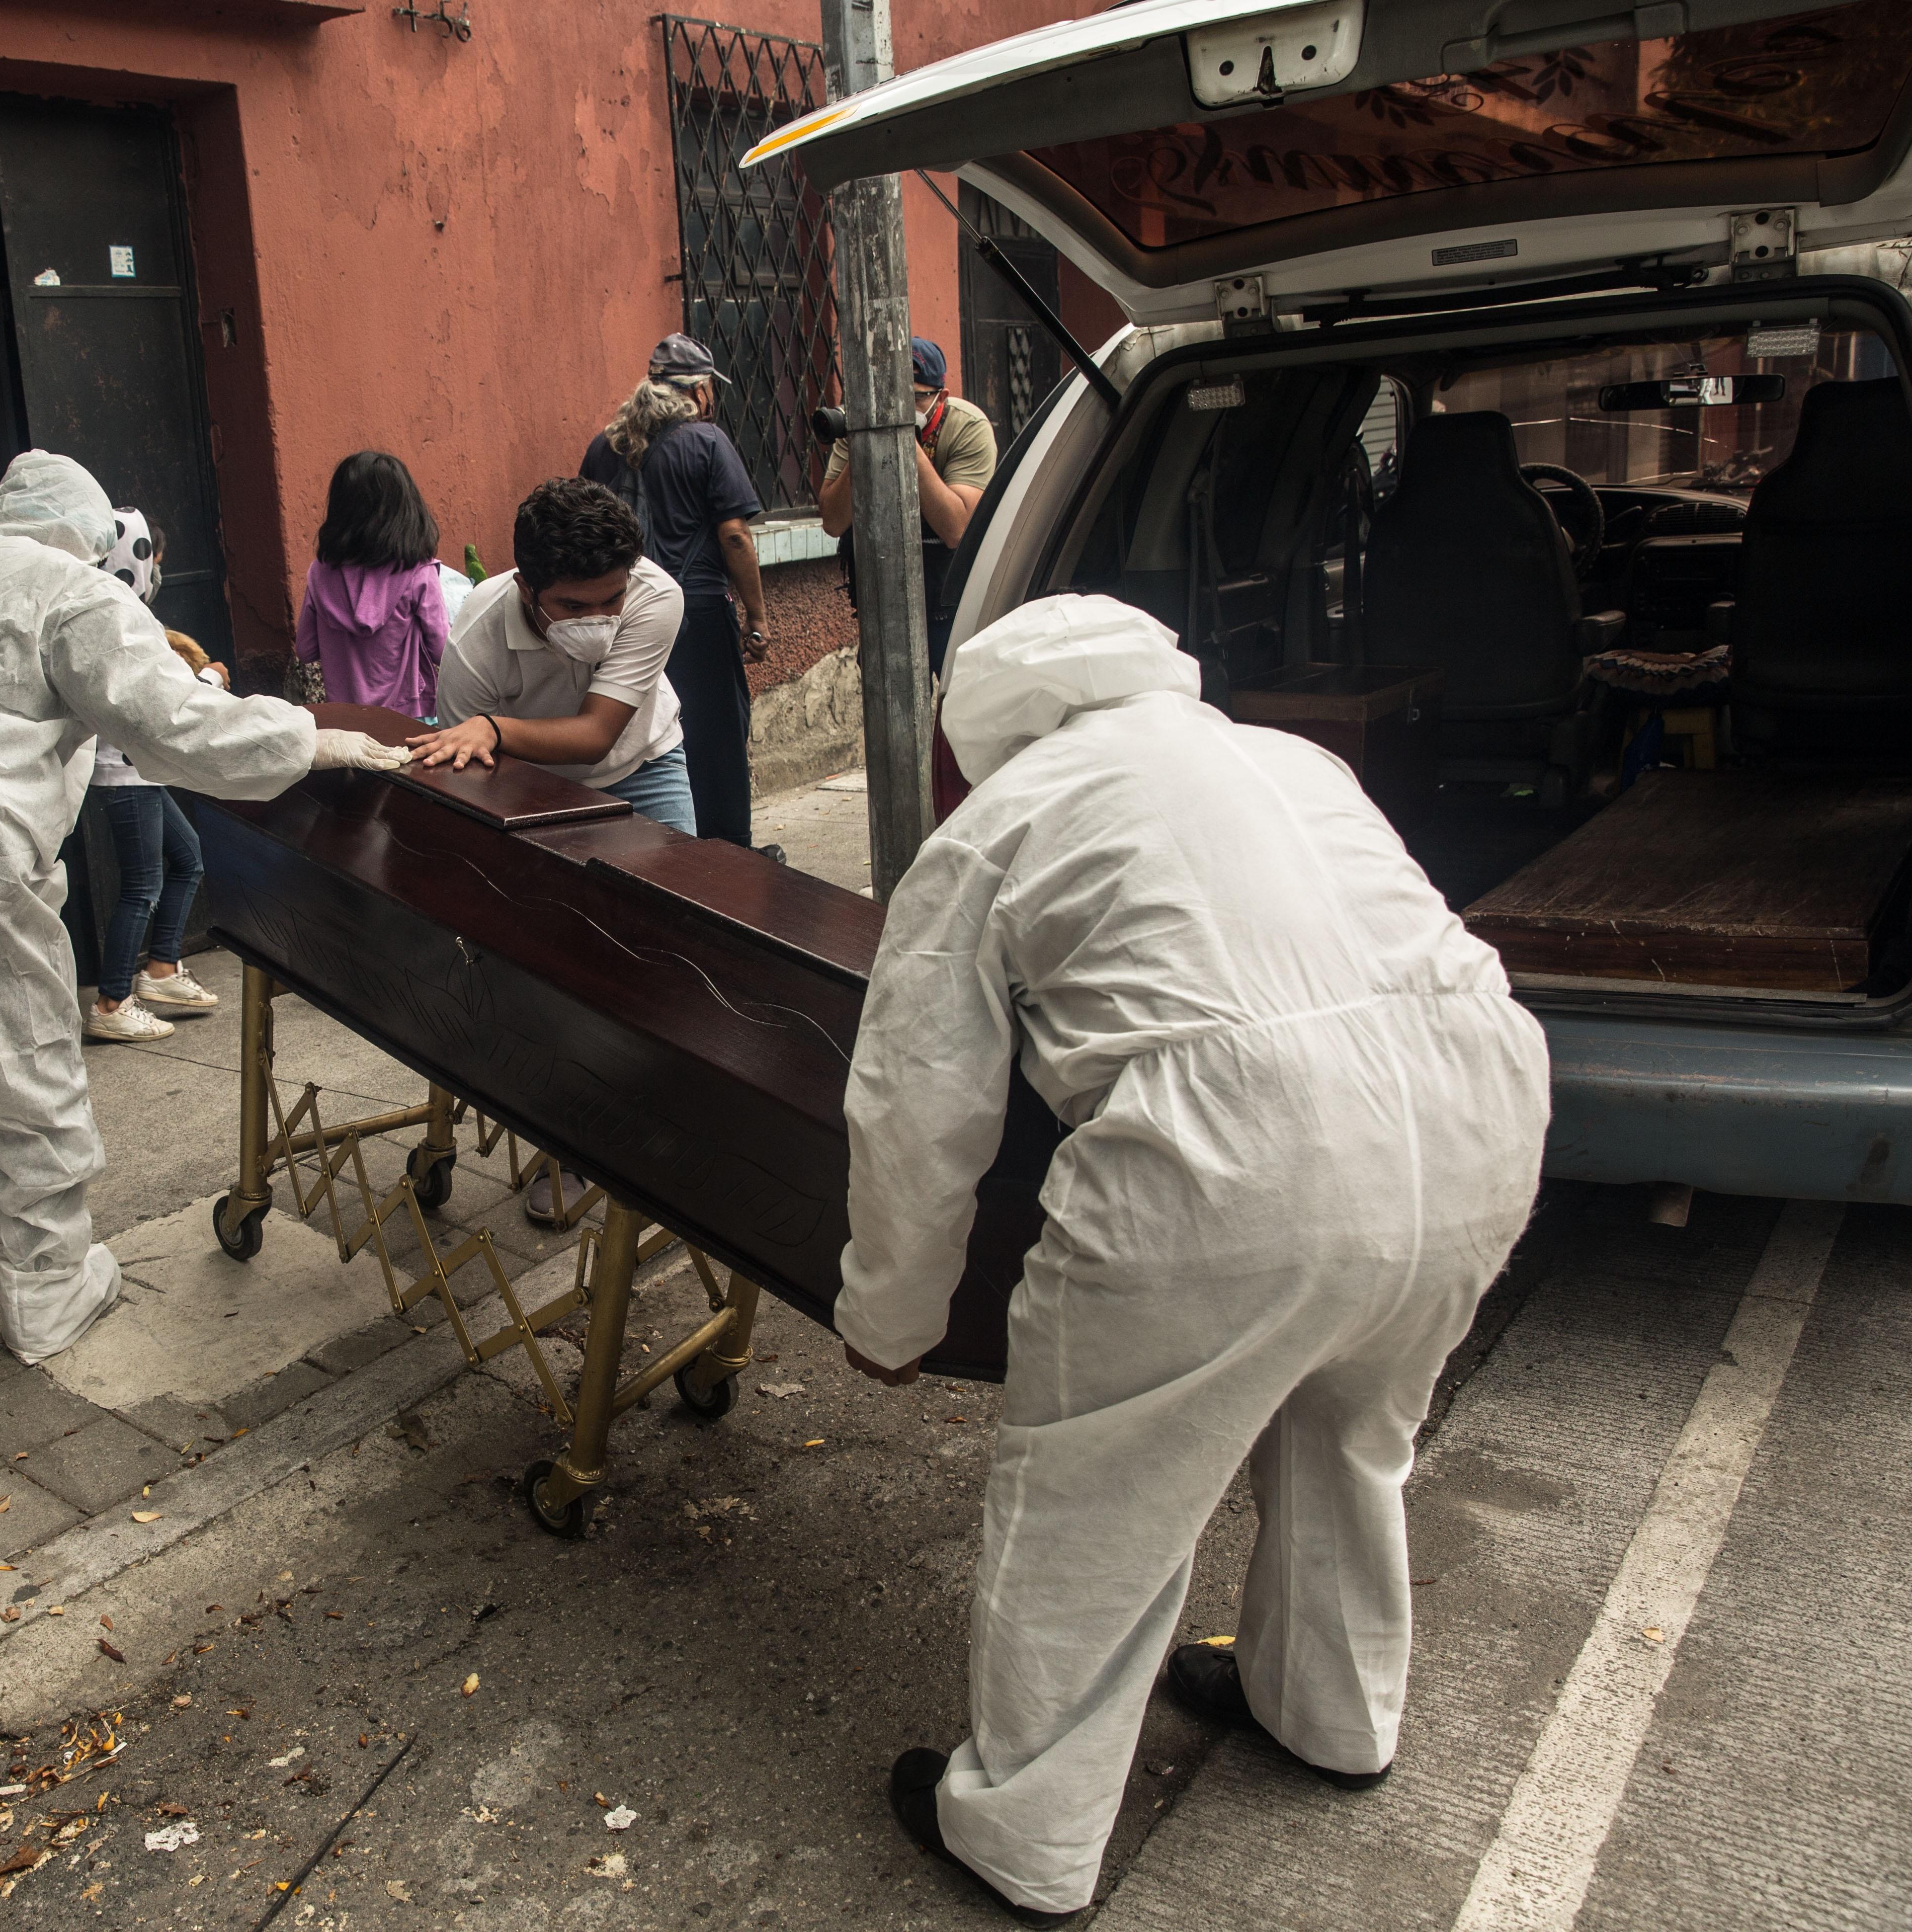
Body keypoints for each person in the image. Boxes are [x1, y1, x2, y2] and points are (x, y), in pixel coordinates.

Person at [833, 595, 1550, 1926]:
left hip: (1236, 1167)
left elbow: (916, 1100)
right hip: (1475, 1115)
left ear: (990, 728)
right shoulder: (1289, 758)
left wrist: (892, 1308)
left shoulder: (998, 821)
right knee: (1350, 1434)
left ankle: (1025, 1838)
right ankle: (1330, 1716)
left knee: (1096, 1499)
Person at [0, 451, 410, 1404]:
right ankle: (48, 1292)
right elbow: (175, 725)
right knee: (26, 1080)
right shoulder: (68, 591)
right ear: (90, 532)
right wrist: (314, 741)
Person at [412, 477, 693, 1226]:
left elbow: (601, 734)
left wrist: (497, 729)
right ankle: (581, 1148)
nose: (601, 620)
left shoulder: (656, 596)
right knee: (565, 970)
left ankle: (680, 1129)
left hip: (644, 766)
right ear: (527, 588)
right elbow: (466, 772)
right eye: (575, 607)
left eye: (611, 599)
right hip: (527, 791)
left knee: (681, 948)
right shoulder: (476, 637)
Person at [578, 334, 776, 855]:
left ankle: (662, 845)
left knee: (644, 733)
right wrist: (757, 617)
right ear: (702, 391)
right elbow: (734, 535)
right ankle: (727, 852)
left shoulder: (605, 447)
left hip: (623, 615)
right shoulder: (707, 442)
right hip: (698, 615)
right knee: (715, 736)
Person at [84, 508, 220, 1043]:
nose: (157, 574)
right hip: (124, 770)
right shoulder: (122, 620)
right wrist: (209, 681)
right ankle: (113, 1002)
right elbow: (156, 705)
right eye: (153, 562)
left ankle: (162, 971)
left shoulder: (120, 612)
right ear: (133, 559)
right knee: (142, 886)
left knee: (187, 859)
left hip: (135, 768)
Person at [818, 338, 998, 674]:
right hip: (884, 592)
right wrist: (865, 440)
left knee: (956, 704)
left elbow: (957, 529)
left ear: (941, 397)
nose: (900, 405)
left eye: (915, 397)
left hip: (948, 594)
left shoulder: (967, 426)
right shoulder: (860, 422)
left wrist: (905, 441)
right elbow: (832, 521)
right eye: (893, 395)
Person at [294, 450, 456, 721]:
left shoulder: (320, 573)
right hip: (409, 716)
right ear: (406, 509)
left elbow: (306, 650)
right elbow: (443, 652)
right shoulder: (419, 572)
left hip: (346, 719)